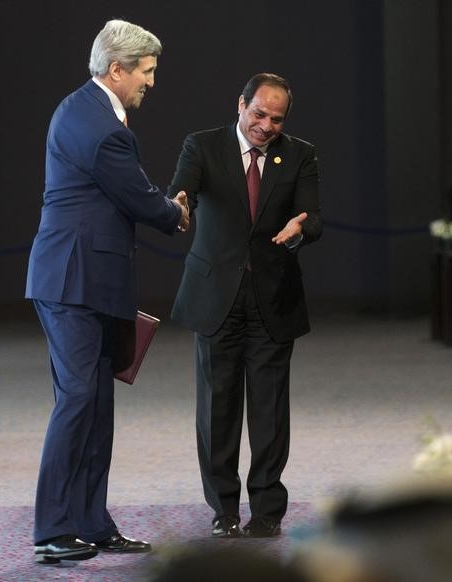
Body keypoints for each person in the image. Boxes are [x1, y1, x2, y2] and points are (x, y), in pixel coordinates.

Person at [24, 20, 189, 564]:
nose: (151, 82)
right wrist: (174, 212)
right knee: (77, 401)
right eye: (146, 72)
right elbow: (141, 199)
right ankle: (52, 529)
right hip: (74, 283)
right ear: (117, 70)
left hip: (87, 282)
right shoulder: (101, 127)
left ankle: (91, 524)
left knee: (94, 405)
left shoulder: (83, 110)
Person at [169, 73, 322, 538]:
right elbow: (182, 191)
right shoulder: (203, 145)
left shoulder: (299, 153)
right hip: (216, 295)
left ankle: (267, 509)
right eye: (259, 114)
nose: (266, 125)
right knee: (217, 407)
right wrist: (178, 205)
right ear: (240, 105)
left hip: (272, 296)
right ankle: (224, 509)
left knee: (270, 409)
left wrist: (302, 228)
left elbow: (312, 217)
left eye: (277, 118)